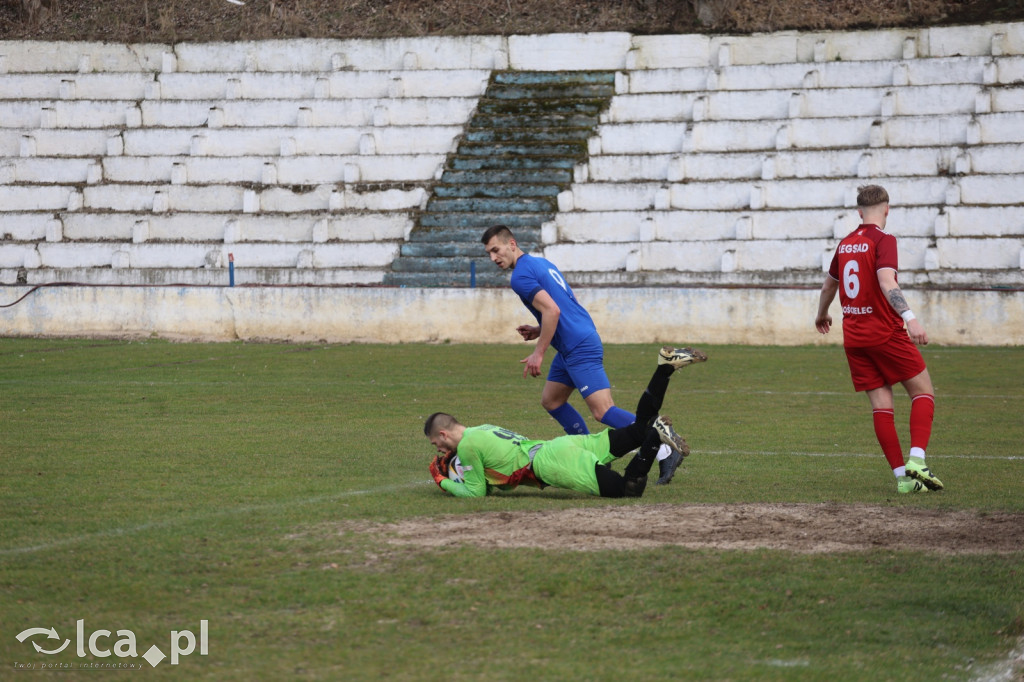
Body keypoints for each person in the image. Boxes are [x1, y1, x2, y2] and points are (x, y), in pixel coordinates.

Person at [480, 224, 704, 485]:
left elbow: (553, 311)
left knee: (602, 410)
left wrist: (538, 352)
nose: (494, 258)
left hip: (578, 345)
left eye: (496, 250)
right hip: (572, 343)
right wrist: (539, 330)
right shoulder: (540, 264)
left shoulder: (520, 276)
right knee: (552, 400)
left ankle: (663, 447)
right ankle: (587, 455)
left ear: (511, 244)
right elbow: (567, 302)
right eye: (489, 253)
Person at [425, 346, 706, 498]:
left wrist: (443, 482)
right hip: (560, 446)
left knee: (628, 490)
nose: (439, 449)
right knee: (637, 428)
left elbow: (475, 492)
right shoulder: (482, 428)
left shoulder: (467, 447)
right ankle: (664, 368)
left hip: (553, 463)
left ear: (442, 434)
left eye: (436, 443)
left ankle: (654, 439)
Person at [814, 184, 944, 494]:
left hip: (855, 338)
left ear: (859, 212)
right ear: (887, 209)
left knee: (882, 406)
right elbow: (888, 281)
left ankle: (903, 479)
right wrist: (910, 319)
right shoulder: (884, 241)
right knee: (923, 392)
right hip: (884, 332)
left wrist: (821, 315)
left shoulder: (845, 244)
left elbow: (828, 288)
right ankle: (917, 461)